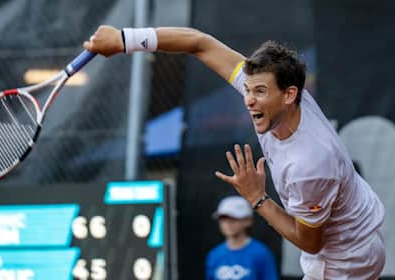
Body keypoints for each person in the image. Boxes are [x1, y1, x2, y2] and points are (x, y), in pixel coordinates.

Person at [83, 25, 386, 279]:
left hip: (344, 262)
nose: (250, 101)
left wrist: (257, 198)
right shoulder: (282, 98)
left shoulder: (310, 163)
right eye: (249, 89)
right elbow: (199, 44)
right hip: (360, 232)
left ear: (289, 94)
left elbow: (310, 242)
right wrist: (126, 40)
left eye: (260, 92)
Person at [206, 195, 278, 280]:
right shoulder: (214, 255)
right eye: (223, 218)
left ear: (248, 220)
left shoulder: (261, 253)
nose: (228, 223)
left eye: (233, 218)